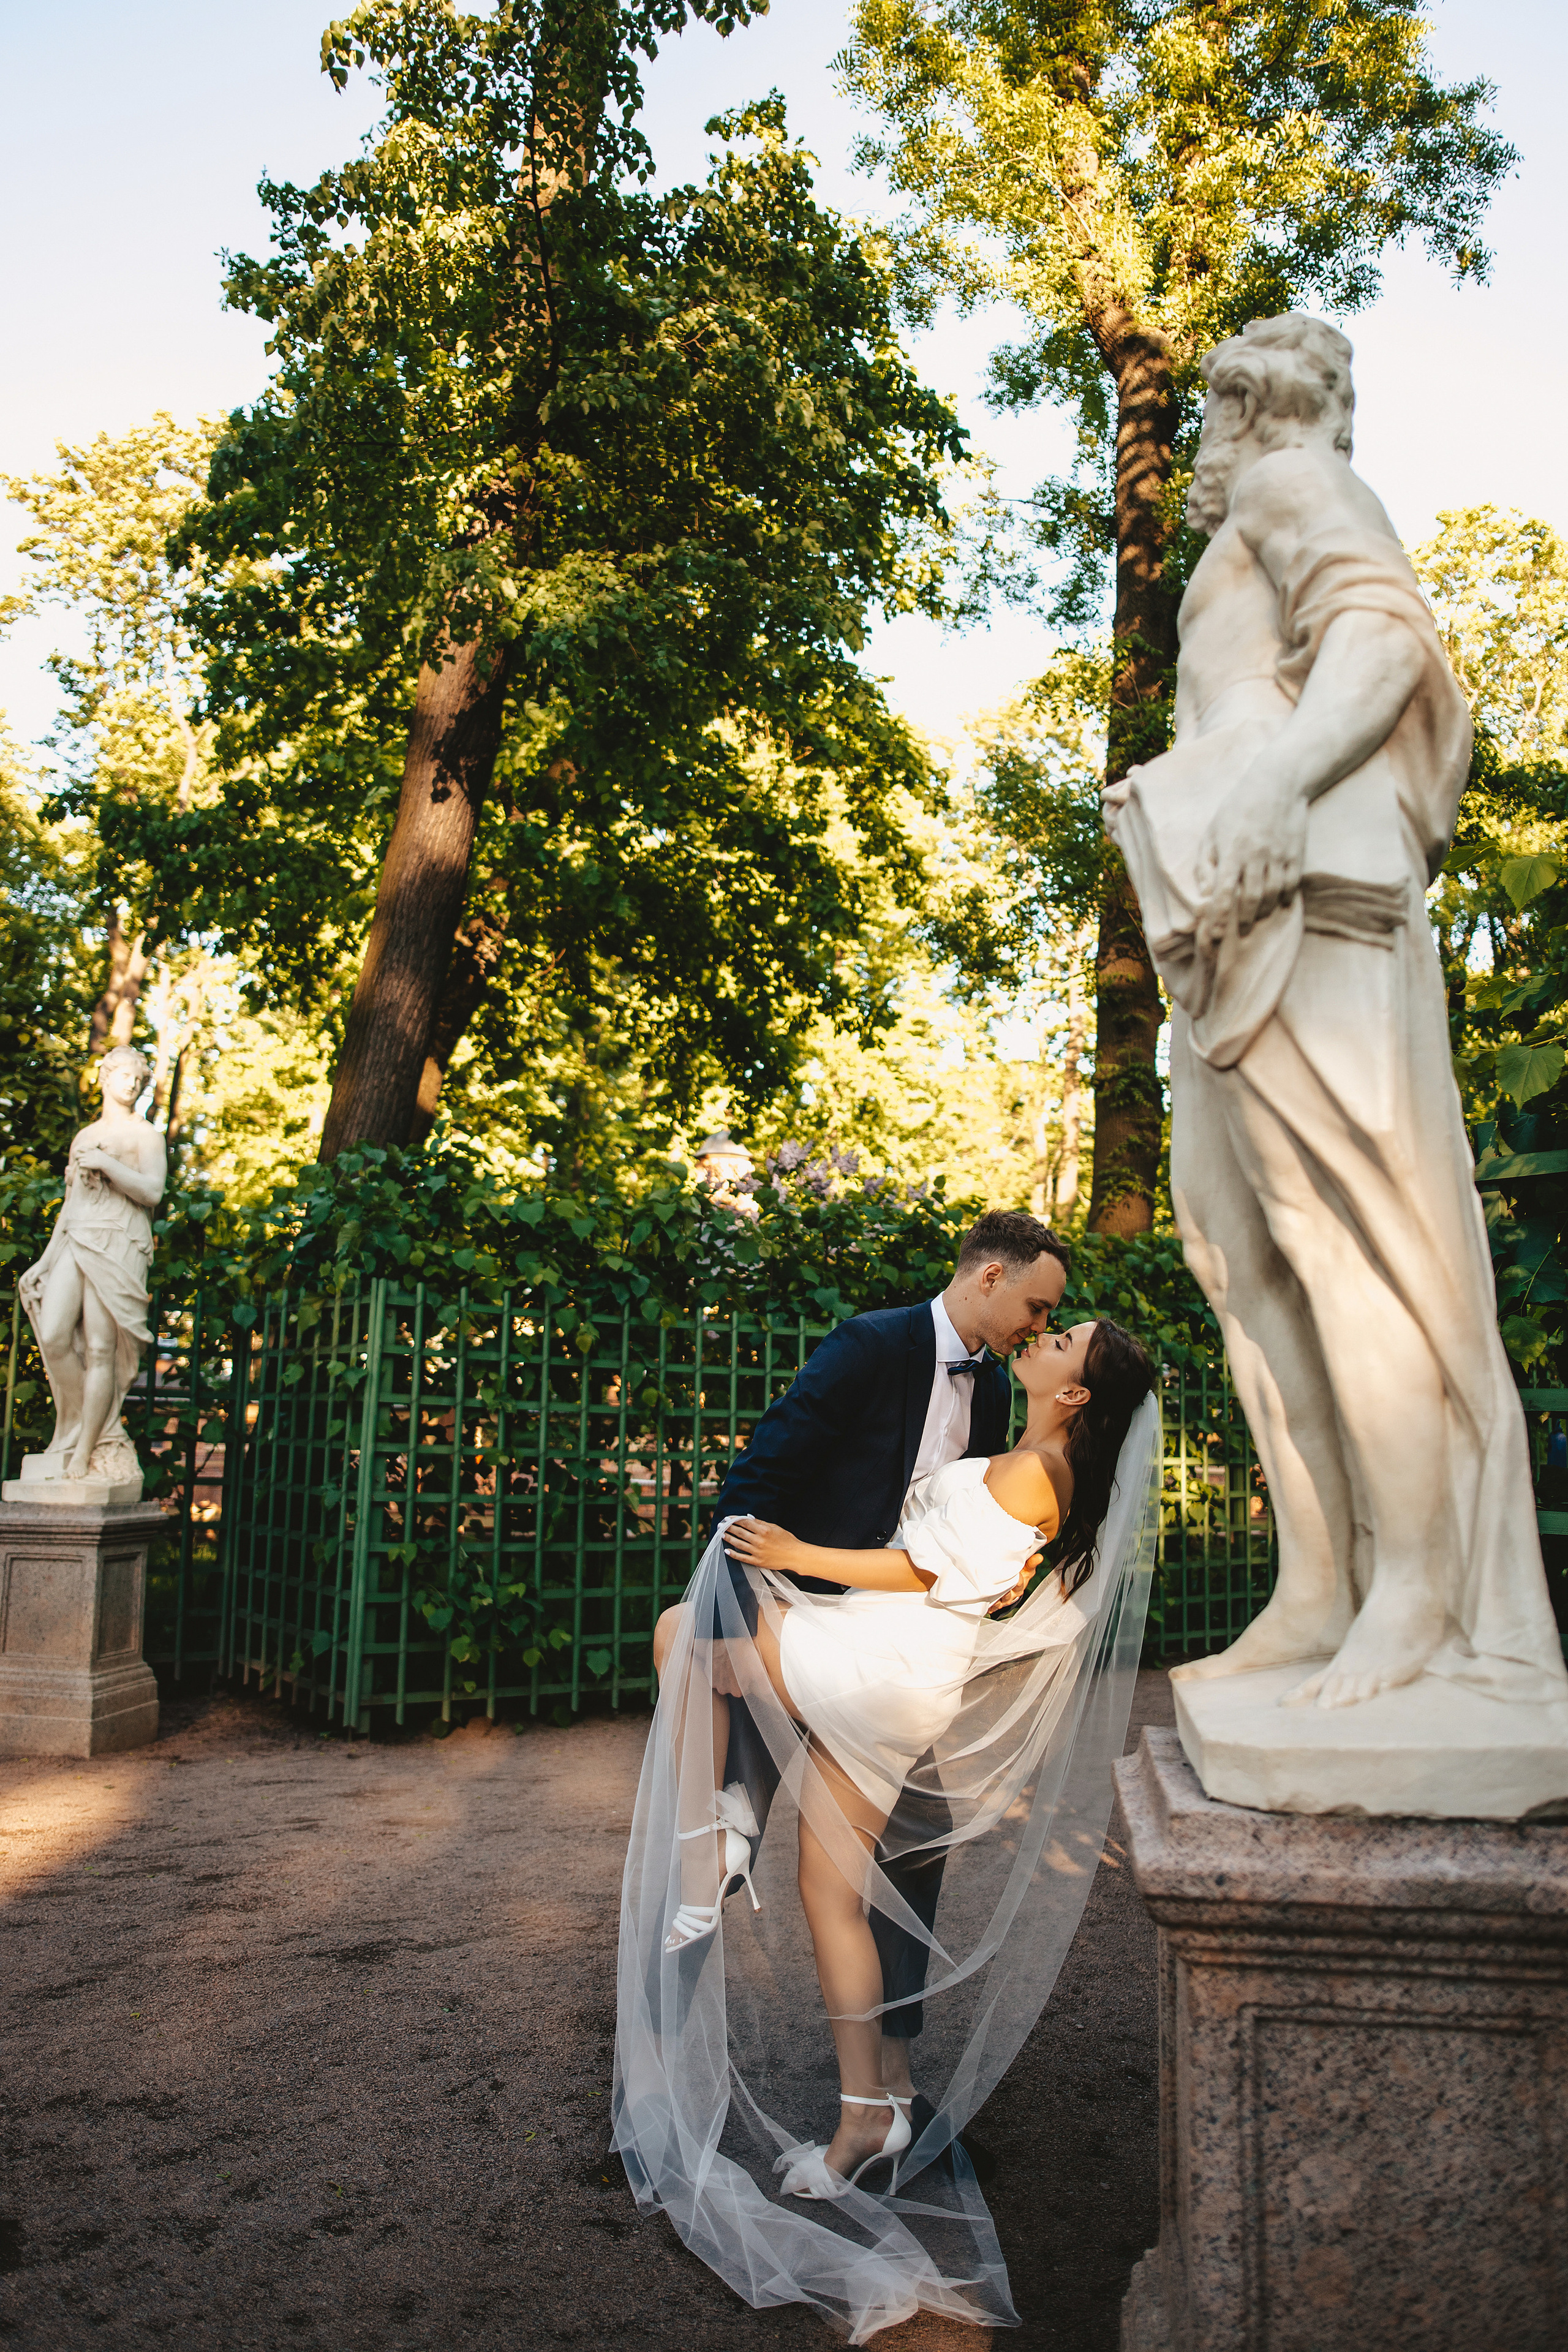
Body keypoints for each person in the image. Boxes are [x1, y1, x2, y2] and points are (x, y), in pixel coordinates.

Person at [1106, 312, 1567, 1713]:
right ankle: (1318, 1587)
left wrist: (1274, 781)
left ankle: (1414, 1593)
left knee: (1343, 1236)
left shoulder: (1287, 476)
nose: (1208, 430)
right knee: (1238, 1253)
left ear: (1250, 404)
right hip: (1227, 899)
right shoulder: (1250, 513)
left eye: (1219, 400)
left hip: (1291, 876)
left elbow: (1380, 639)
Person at [613, 1311, 1161, 2340]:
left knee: (684, 1629)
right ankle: (869, 2113)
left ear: (1077, 1392)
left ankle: (716, 1836)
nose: (1043, 1337)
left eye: (1063, 1341)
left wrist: (793, 1549)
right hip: (896, 1665)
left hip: (883, 1660)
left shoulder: (1035, 1471)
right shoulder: (1035, 1458)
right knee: (831, 1892)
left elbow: (926, 1574)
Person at [705, 1208, 1069, 2127]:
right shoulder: (869, 1346)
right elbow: (757, 1477)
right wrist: (741, 1611)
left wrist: (1003, 1577)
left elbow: (963, 1538)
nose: (1040, 1324)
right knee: (716, 1806)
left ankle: (893, 2078)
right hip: (807, 1611)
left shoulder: (998, 1392)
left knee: (918, 1842)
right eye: (1037, 1306)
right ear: (990, 1276)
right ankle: (679, 2062)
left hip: (904, 1645)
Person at [20, 1045, 166, 1489]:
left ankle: (85, 1450)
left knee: (102, 1348)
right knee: (53, 1335)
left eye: (139, 1080)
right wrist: (45, 1261)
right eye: (125, 1076)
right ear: (105, 1077)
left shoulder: (146, 1137)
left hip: (119, 1242)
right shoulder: (85, 1136)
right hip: (77, 1237)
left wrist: (107, 1165)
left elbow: (153, 1192)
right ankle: (94, 1425)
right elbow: (71, 1205)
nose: (132, 1085)